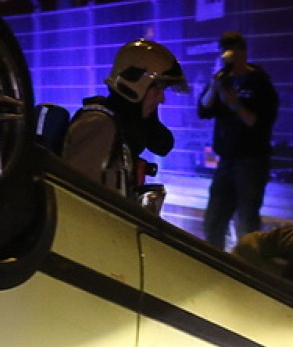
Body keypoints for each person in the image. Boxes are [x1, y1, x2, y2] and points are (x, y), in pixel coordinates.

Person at [63, 38, 185, 195]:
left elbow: (162, 143)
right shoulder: (99, 125)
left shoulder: (120, 129)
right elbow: (77, 198)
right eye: (157, 90)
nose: (162, 99)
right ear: (136, 86)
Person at [197, 31, 279, 249]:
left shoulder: (259, 83)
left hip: (251, 160)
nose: (229, 58)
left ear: (243, 52)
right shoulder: (223, 80)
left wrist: (235, 105)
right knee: (215, 218)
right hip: (227, 160)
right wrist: (215, 87)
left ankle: (248, 266)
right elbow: (203, 109)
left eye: (232, 51)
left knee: (246, 220)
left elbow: (259, 123)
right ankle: (214, 262)